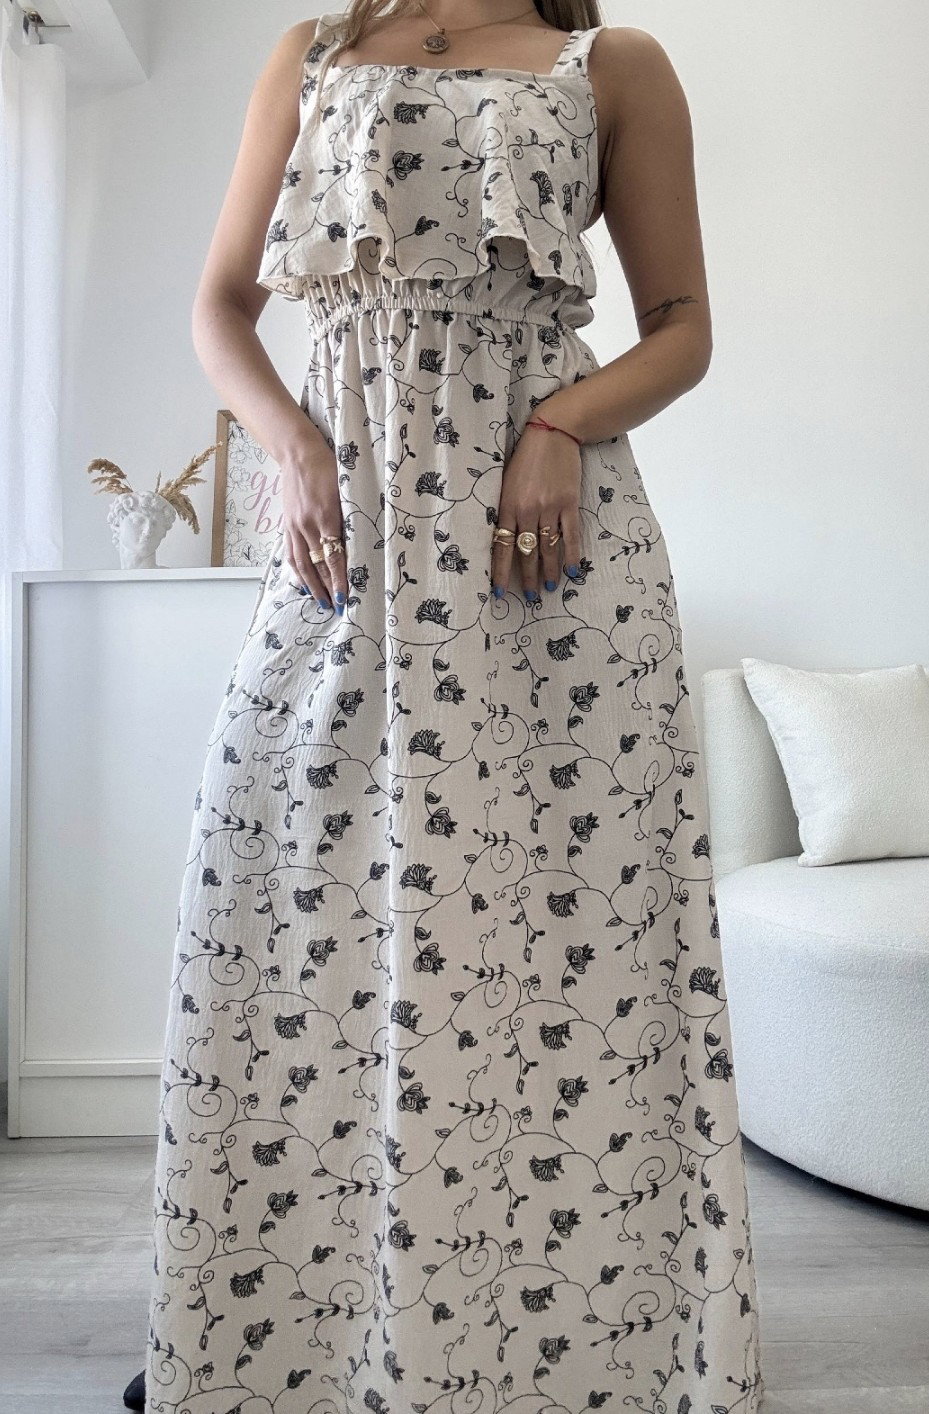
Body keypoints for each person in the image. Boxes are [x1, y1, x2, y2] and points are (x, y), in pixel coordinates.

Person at [126, 3, 765, 1410]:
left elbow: (684, 328)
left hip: (547, 559)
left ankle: (578, 1356)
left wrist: (562, 423)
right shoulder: (314, 52)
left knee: (567, 938)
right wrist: (289, 444)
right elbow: (221, 303)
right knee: (287, 909)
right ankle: (281, 1345)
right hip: (343, 545)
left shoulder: (614, 66)